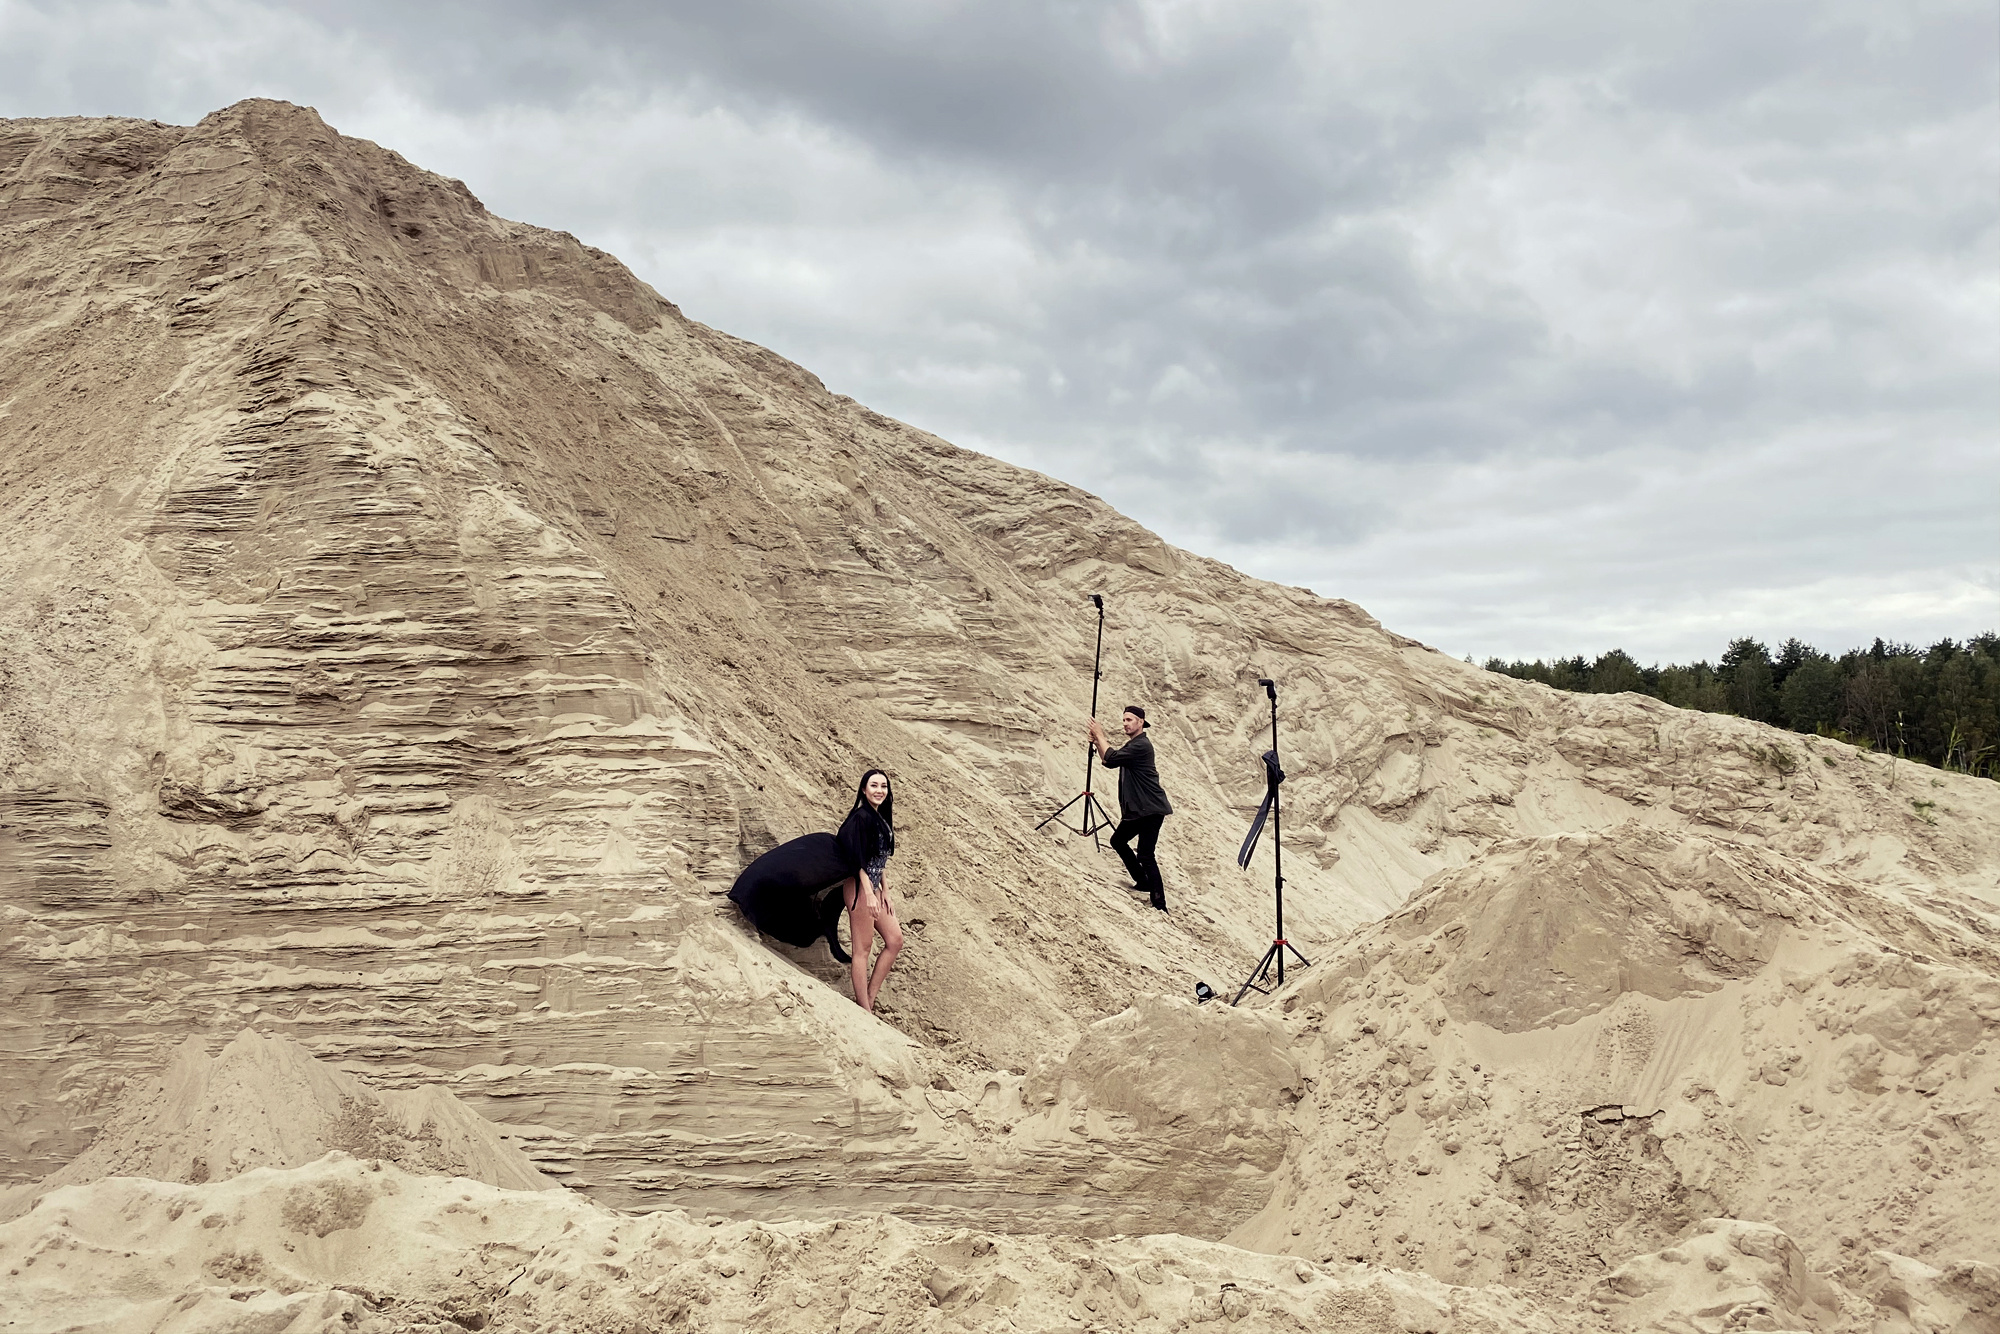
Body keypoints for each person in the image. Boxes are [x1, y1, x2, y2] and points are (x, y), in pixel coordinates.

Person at [1086, 705, 1173, 911]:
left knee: (1146, 854)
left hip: (1150, 809)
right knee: (1118, 841)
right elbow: (1109, 761)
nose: (1125, 724)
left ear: (1140, 722)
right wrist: (1098, 742)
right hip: (1139, 810)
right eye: (1124, 720)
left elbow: (1112, 757)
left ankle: (1159, 903)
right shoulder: (1134, 744)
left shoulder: (1141, 745)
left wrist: (1100, 734)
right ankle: (1142, 882)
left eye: (1129, 720)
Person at [835, 769, 903, 1011]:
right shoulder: (860, 817)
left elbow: (879, 858)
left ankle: (870, 997)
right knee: (862, 949)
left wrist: (885, 890)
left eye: (883, 786)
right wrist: (869, 891)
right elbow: (856, 858)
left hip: (874, 888)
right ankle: (864, 1009)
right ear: (864, 789)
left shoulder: (880, 817)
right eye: (874, 785)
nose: (879, 790)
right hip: (859, 889)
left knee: (895, 940)